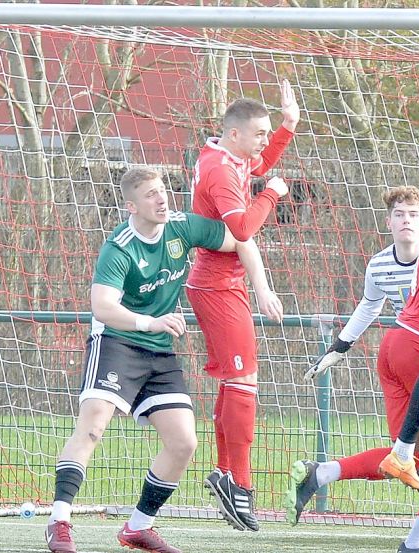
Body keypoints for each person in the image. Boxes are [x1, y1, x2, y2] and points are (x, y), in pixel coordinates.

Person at [44, 167, 253, 553]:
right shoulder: (120, 247)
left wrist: (261, 197)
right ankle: (59, 521)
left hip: (158, 350)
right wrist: (150, 321)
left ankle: (138, 527)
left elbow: (239, 236)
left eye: (163, 192)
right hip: (118, 343)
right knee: (92, 427)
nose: (161, 200)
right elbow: (103, 307)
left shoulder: (181, 227)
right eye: (151, 195)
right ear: (131, 205)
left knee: (184, 442)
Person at [285, 185, 419, 548]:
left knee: (410, 455)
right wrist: (339, 347)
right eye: (399, 214)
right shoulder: (380, 264)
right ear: (388, 222)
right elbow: (369, 307)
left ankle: (319, 474)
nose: (406, 221)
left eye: (413, 214)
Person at [185, 80, 298, 531]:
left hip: (222, 283)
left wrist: (288, 125)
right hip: (215, 286)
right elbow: (246, 228)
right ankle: (240, 484)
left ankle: (229, 475)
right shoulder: (219, 171)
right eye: (260, 133)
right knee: (244, 380)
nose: (264, 142)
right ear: (235, 134)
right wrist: (272, 193)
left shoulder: (226, 157)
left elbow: (261, 163)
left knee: (238, 382)